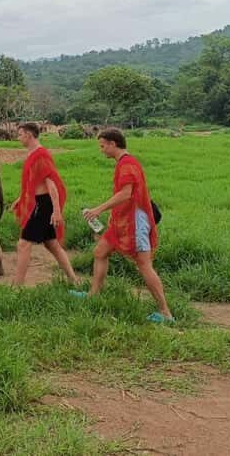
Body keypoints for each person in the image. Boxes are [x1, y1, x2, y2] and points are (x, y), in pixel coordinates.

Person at [75, 128, 174, 323]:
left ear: (113, 144)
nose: (101, 150)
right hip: (122, 221)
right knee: (100, 252)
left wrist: (98, 209)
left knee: (144, 265)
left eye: (103, 146)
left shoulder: (127, 164)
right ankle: (93, 294)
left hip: (135, 222)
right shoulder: (125, 163)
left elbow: (125, 194)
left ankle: (165, 313)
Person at [12, 122, 79, 286]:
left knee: (23, 243)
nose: (18, 138)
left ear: (28, 135)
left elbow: (51, 184)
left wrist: (56, 211)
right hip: (41, 202)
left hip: (44, 204)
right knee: (52, 244)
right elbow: (34, 182)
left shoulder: (40, 155)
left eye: (20, 134)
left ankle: (16, 287)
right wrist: (21, 198)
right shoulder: (33, 154)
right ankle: (75, 281)